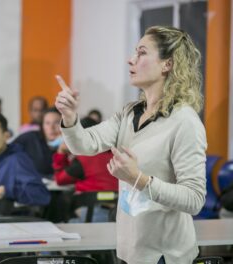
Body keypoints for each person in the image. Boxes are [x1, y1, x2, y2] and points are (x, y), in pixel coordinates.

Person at [55, 26, 206, 264]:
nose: (130, 59)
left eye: (142, 53)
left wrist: (139, 178)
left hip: (164, 255)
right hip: (130, 250)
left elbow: (194, 199)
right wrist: (70, 117)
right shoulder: (130, 113)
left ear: (167, 64)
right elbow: (83, 145)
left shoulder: (184, 121)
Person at [53, 117, 118, 222]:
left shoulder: (83, 160)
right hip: (117, 214)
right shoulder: (115, 155)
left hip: (90, 214)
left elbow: (60, 180)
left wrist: (61, 152)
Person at [13, 107, 62, 177]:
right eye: (47, 123)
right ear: (42, 125)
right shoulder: (29, 138)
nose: (51, 127)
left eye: (57, 123)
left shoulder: (71, 144)